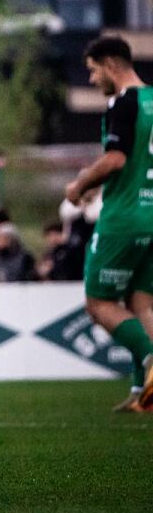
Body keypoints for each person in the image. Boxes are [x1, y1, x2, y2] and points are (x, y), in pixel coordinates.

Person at [64, 35, 153, 410]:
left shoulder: (125, 102)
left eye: (93, 70)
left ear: (112, 64)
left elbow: (116, 159)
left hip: (126, 216)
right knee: (141, 302)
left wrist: (80, 184)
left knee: (99, 303)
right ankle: (142, 395)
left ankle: (151, 364)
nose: (91, 79)